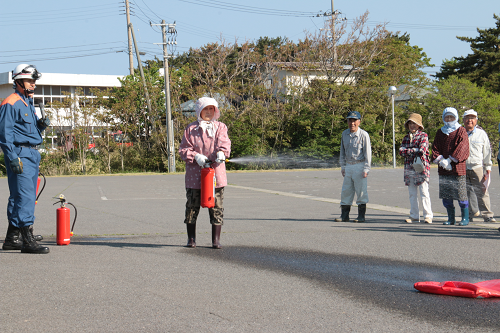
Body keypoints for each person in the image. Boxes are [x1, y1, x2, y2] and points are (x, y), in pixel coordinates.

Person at [0, 64, 50, 253]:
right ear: (19, 81)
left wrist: (40, 126)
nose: (33, 84)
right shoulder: (11, 102)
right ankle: (27, 240)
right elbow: (5, 135)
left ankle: (12, 238)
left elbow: (26, 131)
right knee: (25, 197)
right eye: (30, 80)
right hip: (19, 154)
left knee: (18, 197)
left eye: (34, 80)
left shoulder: (26, 101)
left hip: (31, 153)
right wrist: (12, 157)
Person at [179, 97, 231, 249]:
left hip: (216, 175)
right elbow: (183, 150)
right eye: (205, 109)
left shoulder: (221, 127)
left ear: (215, 111)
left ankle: (216, 240)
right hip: (195, 175)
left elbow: (224, 143)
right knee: (191, 207)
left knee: (217, 208)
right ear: (199, 110)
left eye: (211, 109)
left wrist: (222, 153)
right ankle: (191, 239)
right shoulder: (190, 129)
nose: (208, 112)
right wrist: (195, 156)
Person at [431, 107, 470, 226]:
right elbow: (435, 148)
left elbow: (463, 147)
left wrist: (451, 160)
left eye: (451, 116)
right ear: (443, 118)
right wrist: (441, 160)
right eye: (447, 117)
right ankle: (451, 218)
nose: (449, 119)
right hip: (444, 169)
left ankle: (465, 218)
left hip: (458, 169)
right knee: (446, 195)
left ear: (456, 117)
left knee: (461, 194)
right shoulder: (440, 131)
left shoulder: (461, 130)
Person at [335, 111, 371, 223]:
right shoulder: (344, 134)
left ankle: (361, 216)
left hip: (359, 165)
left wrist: (366, 169)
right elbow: (342, 151)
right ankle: (344, 215)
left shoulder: (364, 135)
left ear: (359, 122)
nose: (352, 123)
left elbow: (368, 153)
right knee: (346, 191)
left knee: (361, 191)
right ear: (347, 121)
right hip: (348, 165)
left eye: (354, 120)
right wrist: (343, 166)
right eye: (350, 120)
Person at [398, 113, 433, 223]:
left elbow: (422, 150)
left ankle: (428, 215)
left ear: (419, 125)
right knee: (412, 193)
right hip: (409, 168)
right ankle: (414, 215)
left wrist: (408, 151)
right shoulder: (406, 137)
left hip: (421, 168)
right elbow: (400, 151)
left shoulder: (424, 136)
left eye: (414, 123)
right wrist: (413, 150)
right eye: (410, 123)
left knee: (424, 192)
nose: (412, 125)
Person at [463, 109, 496, 222]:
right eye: (467, 118)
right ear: (463, 120)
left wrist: (488, 168)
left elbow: (487, 152)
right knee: (465, 193)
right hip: (463, 167)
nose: (470, 120)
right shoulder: (460, 133)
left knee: (482, 191)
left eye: (472, 118)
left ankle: (487, 215)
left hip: (477, 167)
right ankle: (470, 215)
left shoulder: (481, 134)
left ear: (476, 120)